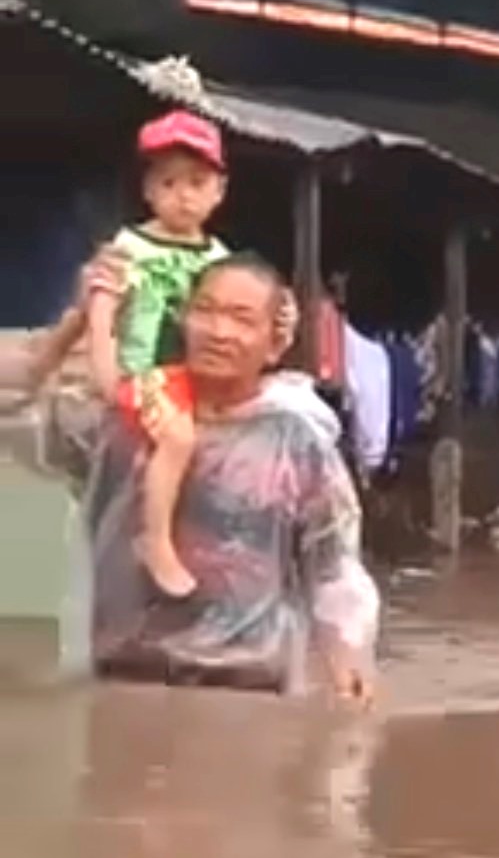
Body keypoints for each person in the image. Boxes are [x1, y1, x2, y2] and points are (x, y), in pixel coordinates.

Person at [21, 252, 377, 699]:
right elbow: (16, 408)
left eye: (242, 318)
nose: (219, 332)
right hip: (122, 682)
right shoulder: (123, 421)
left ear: (274, 342)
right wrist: (81, 319)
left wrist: (348, 661)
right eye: (205, 311)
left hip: (246, 691)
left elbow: (333, 566)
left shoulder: (295, 442)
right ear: (184, 320)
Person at [86, 111, 231, 603]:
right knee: (178, 437)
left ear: (219, 191)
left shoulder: (218, 259)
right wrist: (108, 375)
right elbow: (102, 310)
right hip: (145, 372)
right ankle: (155, 540)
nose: (184, 195)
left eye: (197, 182)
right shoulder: (129, 247)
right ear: (148, 190)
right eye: (169, 183)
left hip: (198, 379)